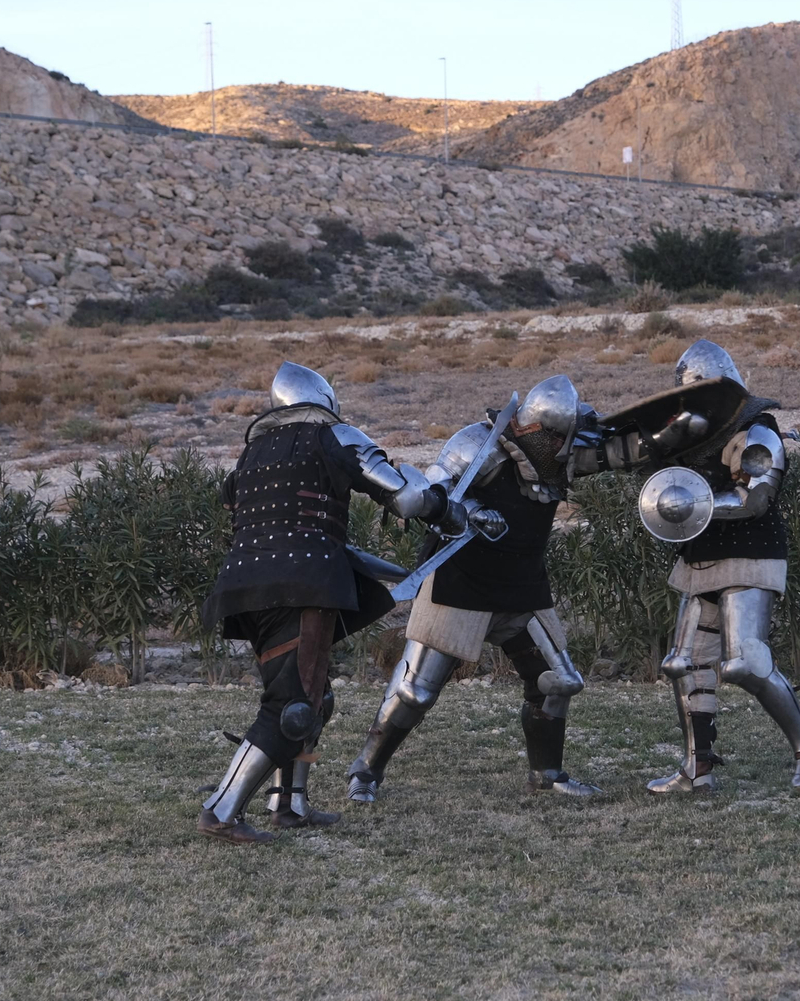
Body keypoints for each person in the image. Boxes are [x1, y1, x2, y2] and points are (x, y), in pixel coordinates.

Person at [196, 361, 485, 844]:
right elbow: (405, 495)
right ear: (323, 401)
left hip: (246, 589)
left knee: (314, 697)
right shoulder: (334, 437)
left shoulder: (251, 456)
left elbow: (296, 530)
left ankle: (289, 804)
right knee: (292, 707)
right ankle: (221, 811)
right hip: (301, 585)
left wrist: (394, 573)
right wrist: (448, 510)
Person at [346, 374, 646, 803]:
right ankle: (365, 771)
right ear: (538, 431)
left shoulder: (562, 455)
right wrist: (470, 511)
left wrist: (672, 433)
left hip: (522, 583)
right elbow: (430, 497)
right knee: (415, 692)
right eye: (559, 437)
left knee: (557, 681)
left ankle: (547, 775)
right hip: (461, 581)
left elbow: (620, 453)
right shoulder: (477, 445)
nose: (565, 447)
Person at [644, 340, 800, 795]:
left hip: (750, 552)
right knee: (683, 664)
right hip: (699, 558)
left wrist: (691, 505)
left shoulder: (757, 426)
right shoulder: (685, 435)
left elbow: (755, 497)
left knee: (745, 662)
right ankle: (696, 768)